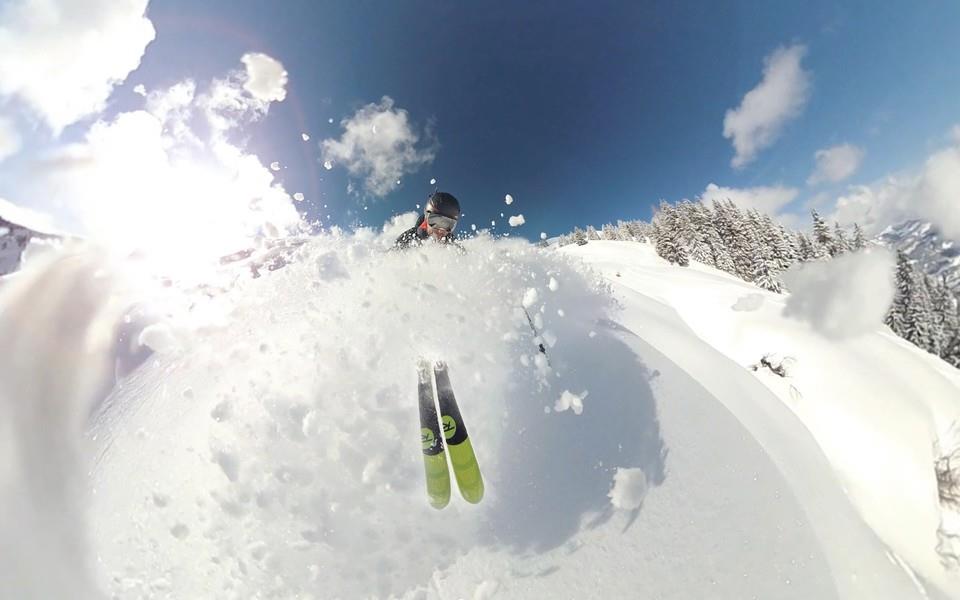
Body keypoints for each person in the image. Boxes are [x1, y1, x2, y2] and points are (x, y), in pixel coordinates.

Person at [395, 191, 462, 249]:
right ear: (426, 218)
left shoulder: (453, 245)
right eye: (435, 221)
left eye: (448, 224)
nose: (441, 230)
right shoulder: (408, 238)